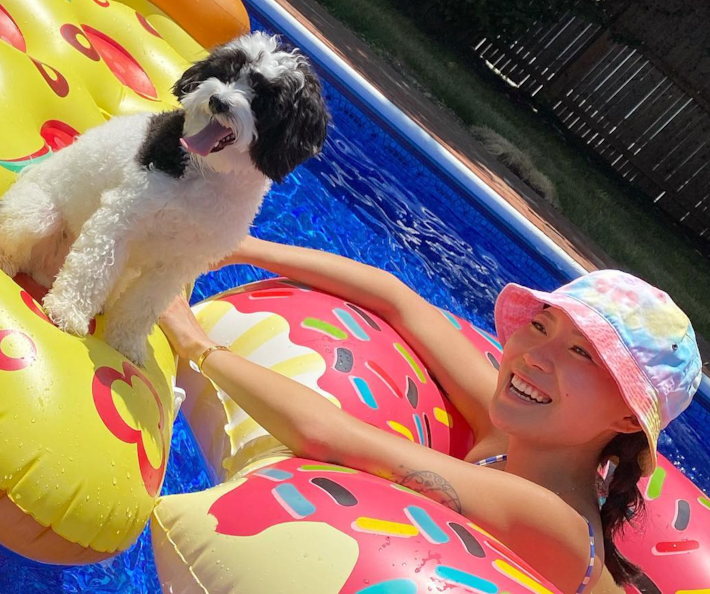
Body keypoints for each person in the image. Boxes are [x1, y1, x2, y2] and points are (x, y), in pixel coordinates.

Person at [157, 236, 702, 594]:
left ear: (630, 419)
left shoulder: (554, 520)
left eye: (582, 353)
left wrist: (199, 346)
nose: (535, 355)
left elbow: (330, 436)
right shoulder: (510, 437)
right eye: (541, 325)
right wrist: (239, 247)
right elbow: (399, 300)